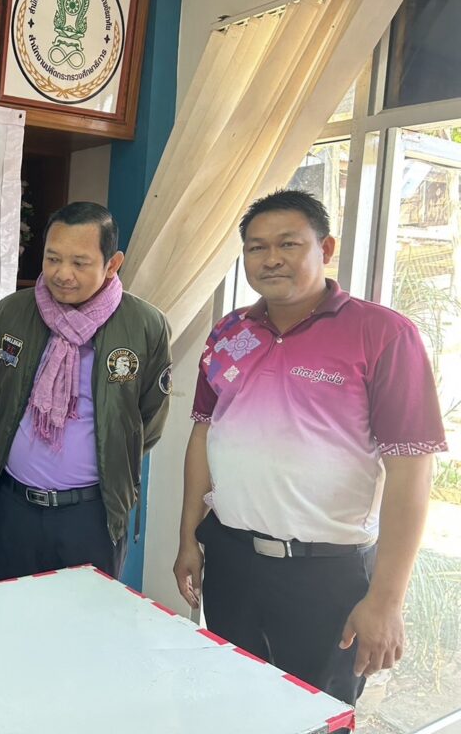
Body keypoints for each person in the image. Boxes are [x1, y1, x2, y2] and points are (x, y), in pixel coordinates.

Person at [173, 189, 445, 708]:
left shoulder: (382, 334)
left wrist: (386, 600)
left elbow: (412, 471)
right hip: (232, 561)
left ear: (327, 248)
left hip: (328, 576)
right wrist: (189, 538)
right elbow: (204, 434)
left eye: (288, 244)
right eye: (256, 247)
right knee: (232, 701)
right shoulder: (230, 332)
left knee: (317, 713)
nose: (270, 258)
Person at [0, 201, 172, 581]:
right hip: (14, 507)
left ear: (112, 263)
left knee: (87, 615)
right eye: (52, 259)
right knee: (9, 612)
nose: (62, 274)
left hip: (92, 515)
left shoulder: (144, 325)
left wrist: (112, 462)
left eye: (79, 263)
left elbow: (147, 421)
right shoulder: (11, 313)